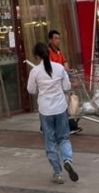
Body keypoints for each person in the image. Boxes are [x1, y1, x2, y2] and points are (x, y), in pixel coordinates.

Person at [27, 41, 79, 185]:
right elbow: (67, 86)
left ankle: (58, 173)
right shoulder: (59, 68)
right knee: (63, 138)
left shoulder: (35, 71)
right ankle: (67, 160)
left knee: (49, 141)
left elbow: (31, 90)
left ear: (36, 56)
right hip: (60, 108)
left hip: (45, 110)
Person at [47, 29, 82, 134]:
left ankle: (69, 125)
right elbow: (50, 66)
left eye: (59, 38)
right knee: (62, 104)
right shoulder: (48, 52)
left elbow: (64, 61)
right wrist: (62, 68)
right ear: (50, 40)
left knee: (64, 103)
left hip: (62, 80)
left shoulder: (59, 51)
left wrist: (66, 65)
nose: (58, 40)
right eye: (56, 38)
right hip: (54, 82)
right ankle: (71, 125)